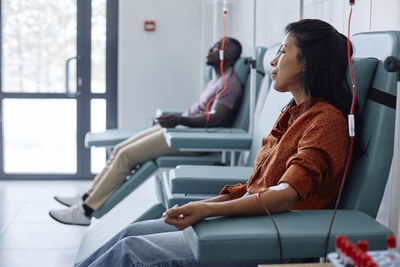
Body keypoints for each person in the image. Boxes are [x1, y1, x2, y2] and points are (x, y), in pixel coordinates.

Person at [77, 18, 355, 267]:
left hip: (276, 236)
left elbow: (284, 195)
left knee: (131, 250)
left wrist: (207, 209)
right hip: (253, 222)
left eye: (282, 51)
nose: (273, 61)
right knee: (130, 233)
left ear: (307, 61)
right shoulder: (291, 114)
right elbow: (255, 187)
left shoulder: (325, 121)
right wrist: (205, 205)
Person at [49, 37, 243, 226]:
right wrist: (177, 120)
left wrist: (179, 120)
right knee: (120, 148)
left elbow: (218, 119)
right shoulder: (217, 80)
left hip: (192, 138)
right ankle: (87, 197)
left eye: (218, 46)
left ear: (230, 54)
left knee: (126, 156)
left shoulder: (230, 84)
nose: (211, 49)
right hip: (182, 131)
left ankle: (85, 211)